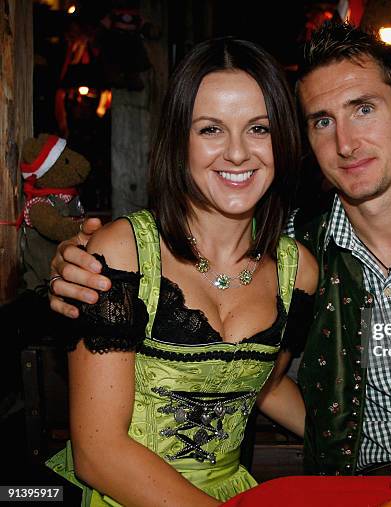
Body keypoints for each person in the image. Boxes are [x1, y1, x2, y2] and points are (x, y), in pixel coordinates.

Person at [49, 23, 391, 502]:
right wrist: (76, 262)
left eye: (363, 109)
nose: (347, 142)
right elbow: (243, 360)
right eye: (321, 120)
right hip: (347, 489)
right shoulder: (295, 247)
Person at [45, 37, 317, 507]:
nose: (237, 153)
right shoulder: (123, 252)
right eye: (211, 129)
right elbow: (97, 452)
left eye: (258, 129)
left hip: (233, 493)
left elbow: (266, 385)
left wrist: (374, 449)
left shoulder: (299, 271)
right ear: (179, 141)